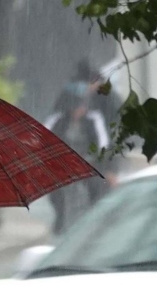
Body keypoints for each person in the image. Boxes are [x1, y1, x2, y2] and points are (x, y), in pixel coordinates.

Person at [45, 64, 113, 235]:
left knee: (97, 186)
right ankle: (60, 218)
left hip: (87, 162)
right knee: (55, 191)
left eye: (81, 106)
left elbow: (102, 144)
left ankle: (94, 221)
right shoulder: (58, 120)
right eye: (75, 106)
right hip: (63, 164)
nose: (78, 110)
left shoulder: (93, 119)